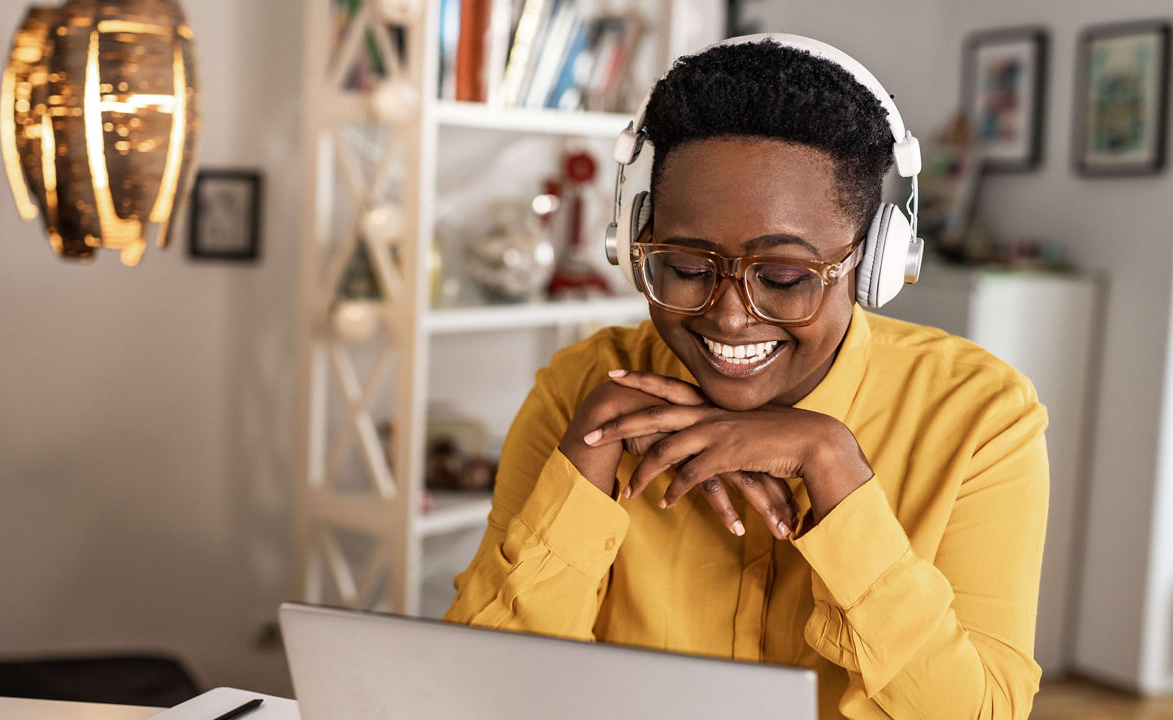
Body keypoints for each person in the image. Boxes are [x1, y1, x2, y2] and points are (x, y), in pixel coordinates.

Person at [444, 37, 1048, 719]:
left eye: (784, 278)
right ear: (633, 243)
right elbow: (477, 697)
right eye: (687, 268)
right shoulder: (581, 391)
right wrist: (588, 457)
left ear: (876, 263)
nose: (730, 318)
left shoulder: (979, 416)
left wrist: (834, 468)